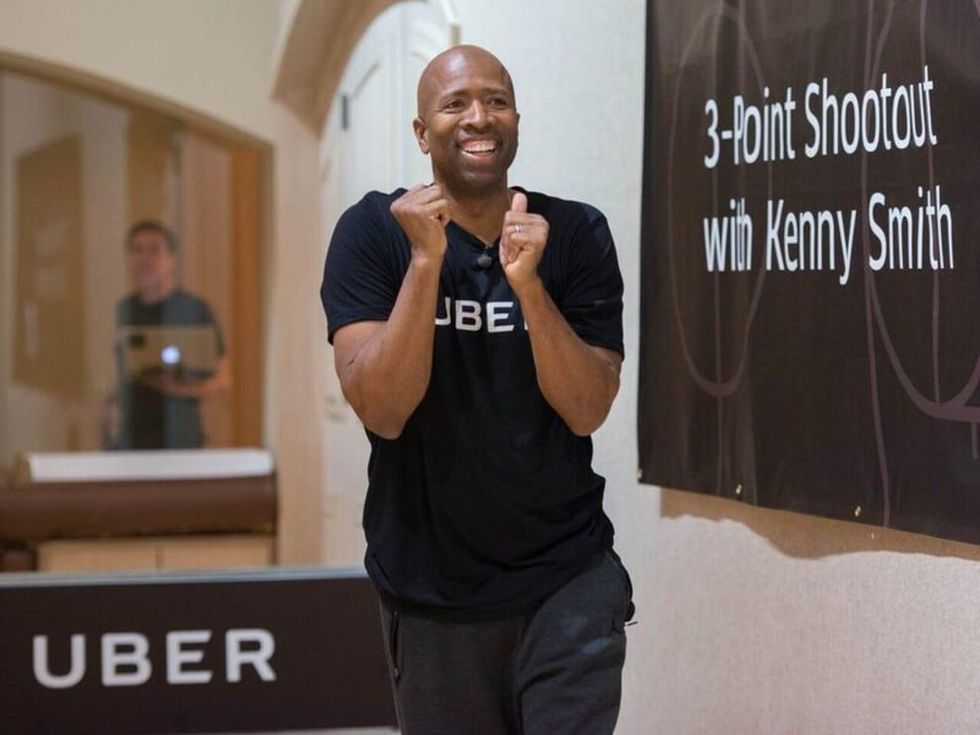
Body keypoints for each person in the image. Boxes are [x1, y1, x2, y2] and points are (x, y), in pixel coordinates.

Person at [321, 45, 631, 734]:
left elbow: (587, 408)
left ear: (517, 118)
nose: (477, 117)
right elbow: (384, 408)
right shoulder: (373, 233)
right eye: (454, 103)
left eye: (494, 99)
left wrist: (529, 288)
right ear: (422, 131)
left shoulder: (575, 234)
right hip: (434, 592)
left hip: (567, 582)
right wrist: (425, 264)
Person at [109, 220, 230, 449]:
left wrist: (176, 388)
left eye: (154, 250)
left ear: (170, 258)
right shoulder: (125, 310)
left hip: (181, 436)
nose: (145, 258)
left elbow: (222, 377)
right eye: (137, 250)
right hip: (132, 438)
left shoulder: (193, 309)